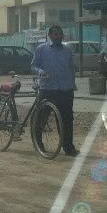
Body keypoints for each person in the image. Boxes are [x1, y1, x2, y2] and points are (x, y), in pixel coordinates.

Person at [30, 25, 78, 156]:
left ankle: (68, 147)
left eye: (60, 34)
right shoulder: (41, 49)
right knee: (41, 118)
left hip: (65, 90)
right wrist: (41, 72)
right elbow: (33, 66)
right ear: (50, 35)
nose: (59, 36)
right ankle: (38, 143)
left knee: (67, 120)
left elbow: (71, 69)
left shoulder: (67, 51)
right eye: (56, 34)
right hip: (48, 89)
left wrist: (73, 84)